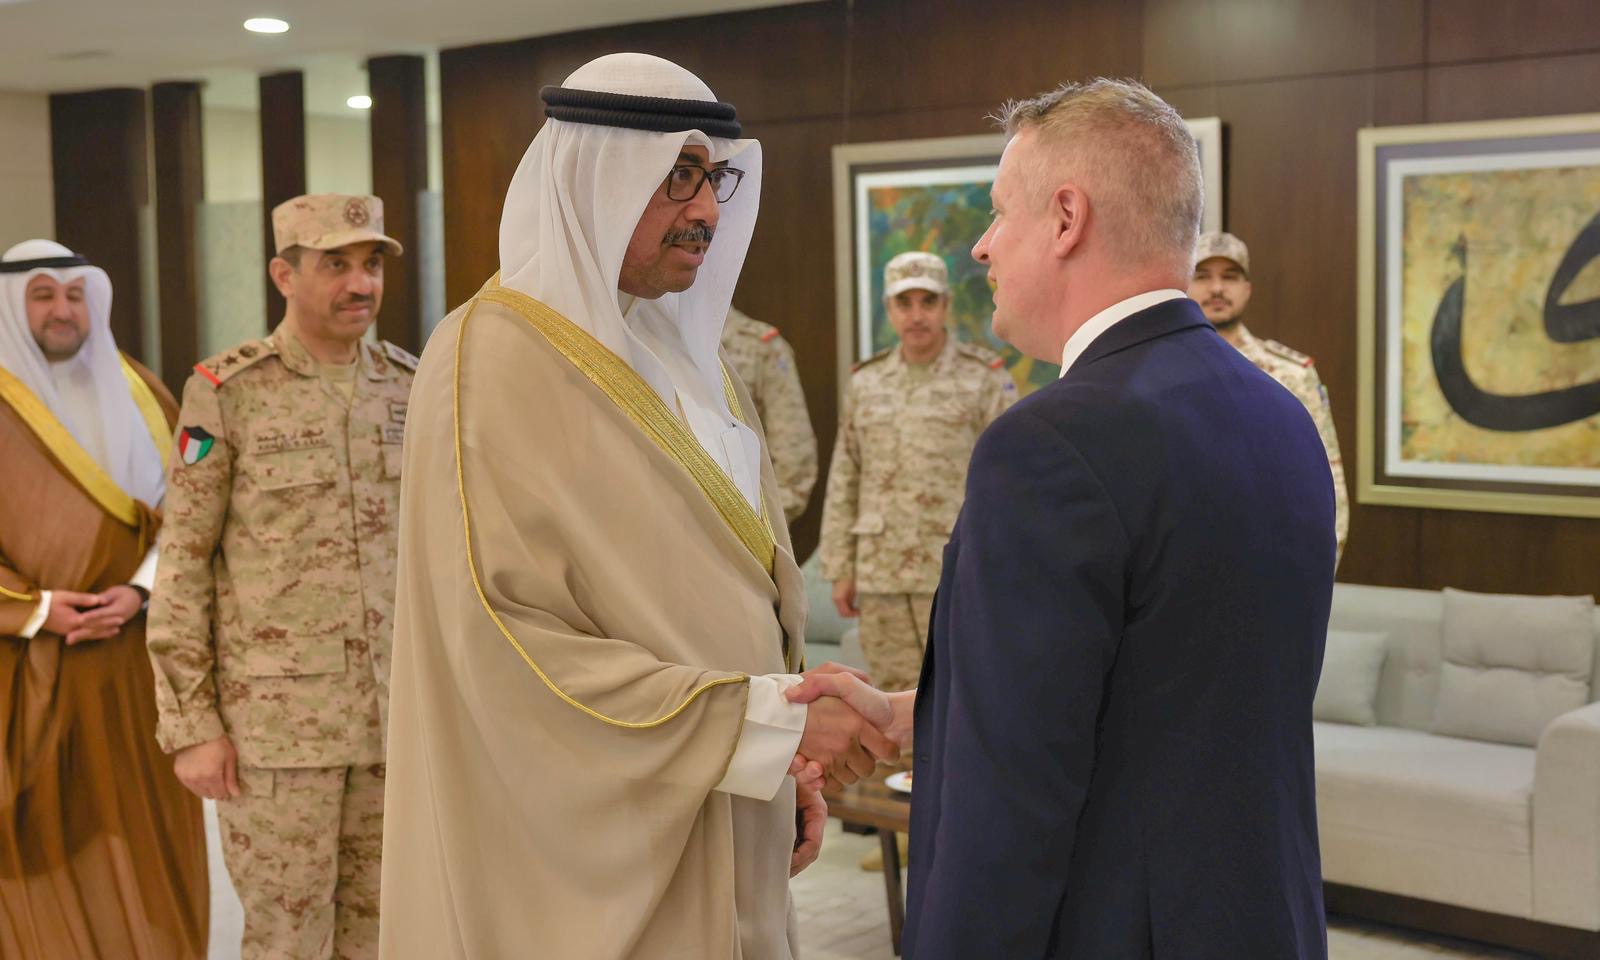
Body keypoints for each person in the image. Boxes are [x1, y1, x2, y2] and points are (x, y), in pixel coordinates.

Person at [793, 79, 1336, 958]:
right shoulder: (1280, 414)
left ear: (1066, 218)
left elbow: (1006, 804)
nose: (982, 244)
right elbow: (1167, 690)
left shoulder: (1050, 442)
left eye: (1000, 211)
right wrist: (919, 715)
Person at [378, 53, 894, 959]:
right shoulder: (488, 357)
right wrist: (764, 725)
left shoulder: (690, 358)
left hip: (723, 803)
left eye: (715, 177)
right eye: (678, 176)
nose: (708, 211)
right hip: (588, 858)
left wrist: (782, 766)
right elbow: (499, 643)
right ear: (598, 179)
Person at [145, 195, 414, 959]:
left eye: (371, 264)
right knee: (287, 940)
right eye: (337, 265)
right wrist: (192, 727)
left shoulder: (407, 384)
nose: (361, 283)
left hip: (395, 722)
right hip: (279, 733)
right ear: (284, 276)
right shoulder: (228, 391)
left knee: (387, 932)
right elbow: (184, 561)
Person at [0, 239, 208, 958]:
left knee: (148, 838)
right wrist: (34, 608)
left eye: (74, 294)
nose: (63, 310)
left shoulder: (146, 392)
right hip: (24, 671)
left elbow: (193, 510)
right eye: (42, 295)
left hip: (136, 661)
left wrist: (140, 590)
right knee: (42, 847)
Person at [818, 251, 1015, 696]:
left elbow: (1009, 482)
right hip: (881, 570)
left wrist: (1001, 563)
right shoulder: (866, 383)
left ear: (946, 305)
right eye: (904, 303)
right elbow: (846, 474)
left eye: (928, 301)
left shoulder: (983, 380)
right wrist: (841, 567)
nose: (916, 315)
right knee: (891, 698)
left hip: (956, 568)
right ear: (889, 309)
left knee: (961, 694)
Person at [1190, 230, 1348, 563]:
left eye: (1229, 277)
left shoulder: (1290, 375)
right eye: (1202, 276)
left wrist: (1318, 577)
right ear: (1184, 286)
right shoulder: (1158, 373)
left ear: (1247, 289)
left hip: (1269, 559)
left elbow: (1327, 483)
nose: (1217, 288)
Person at [720, 307, 817, 521]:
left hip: (746, 517)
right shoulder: (657, 337)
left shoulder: (760, 346)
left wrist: (767, 523)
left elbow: (793, 451)